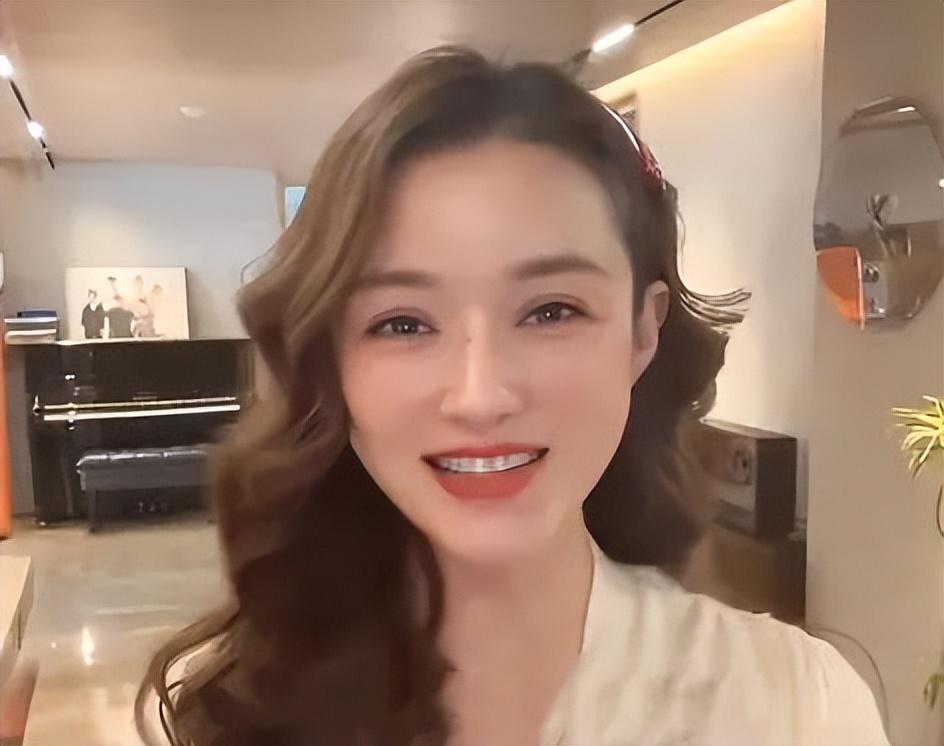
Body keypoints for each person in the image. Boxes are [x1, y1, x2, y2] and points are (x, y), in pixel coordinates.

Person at [136, 47, 888, 746]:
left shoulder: (796, 710)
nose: (480, 396)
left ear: (643, 330)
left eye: (551, 311)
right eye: (403, 323)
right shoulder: (244, 701)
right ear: (330, 358)